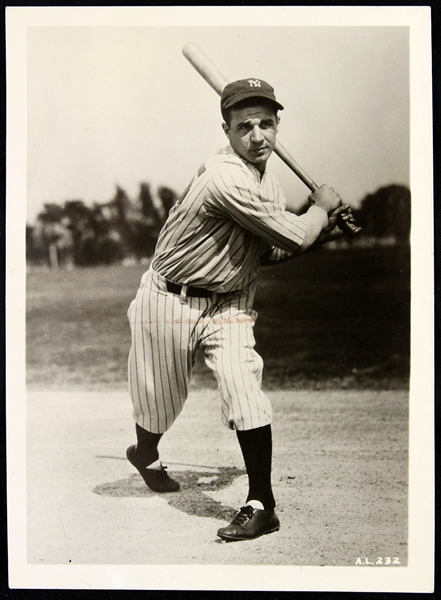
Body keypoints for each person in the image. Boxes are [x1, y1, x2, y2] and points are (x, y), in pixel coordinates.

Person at [126, 78, 346, 541]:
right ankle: (144, 452)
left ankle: (261, 503)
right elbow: (292, 235)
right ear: (225, 130)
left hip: (230, 300)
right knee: (160, 404)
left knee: (244, 388)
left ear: (277, 125)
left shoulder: (268, 180)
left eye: (266, 124)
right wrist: (321, 209)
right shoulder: (226, 177)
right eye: (244, 126)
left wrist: (320, 228)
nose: (257, 136)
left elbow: (266, 254)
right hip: (169, 297)